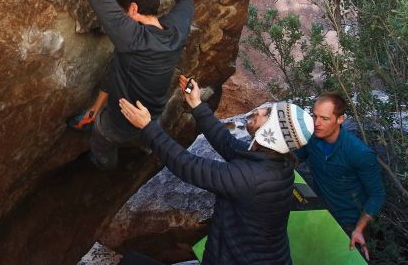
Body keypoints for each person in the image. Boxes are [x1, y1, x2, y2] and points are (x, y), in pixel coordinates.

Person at [119, 76, 315, 265]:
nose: (260, 111)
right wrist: (196, 104)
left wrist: (148, 126)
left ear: (274, 132)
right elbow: (226, 143)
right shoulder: (274, 161)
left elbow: (189, 166)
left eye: (267, 115)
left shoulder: (253, 177)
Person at [73, 0, 194, 170]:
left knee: (103, 139)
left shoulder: (133, 38)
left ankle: (104, 164)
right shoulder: (176, 29)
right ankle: (145, 145)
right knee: (144, 125)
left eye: (122, 11)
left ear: (133, 10)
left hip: (120, 122)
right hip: (153, 111)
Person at [296, 92, 385, 261]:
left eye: (324, 118)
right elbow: (292, 161)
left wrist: (359, 228)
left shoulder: (359, 153)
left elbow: (377, 195)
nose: (316, 123)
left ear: (340, 119)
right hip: (319, 217)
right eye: (314, 116)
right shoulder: (311, 139)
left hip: (350, 224)